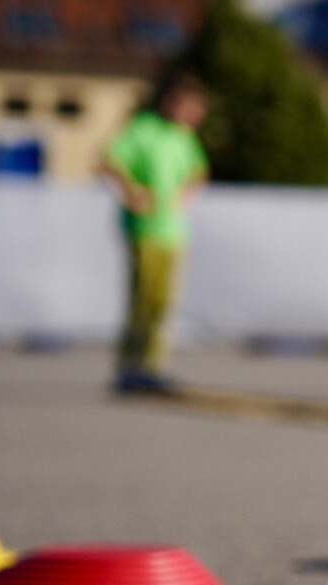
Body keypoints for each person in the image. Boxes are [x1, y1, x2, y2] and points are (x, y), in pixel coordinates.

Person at [100, 74, 209, 396]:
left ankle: (152, 366)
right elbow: (109, 159)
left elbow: (198, 171)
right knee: (142, 300)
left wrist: (186, 196)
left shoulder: (184, 138)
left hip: (173, 231)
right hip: (144, 229)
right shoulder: (144, 128)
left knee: (162, 303)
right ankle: (130, 366)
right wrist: (130, 192)